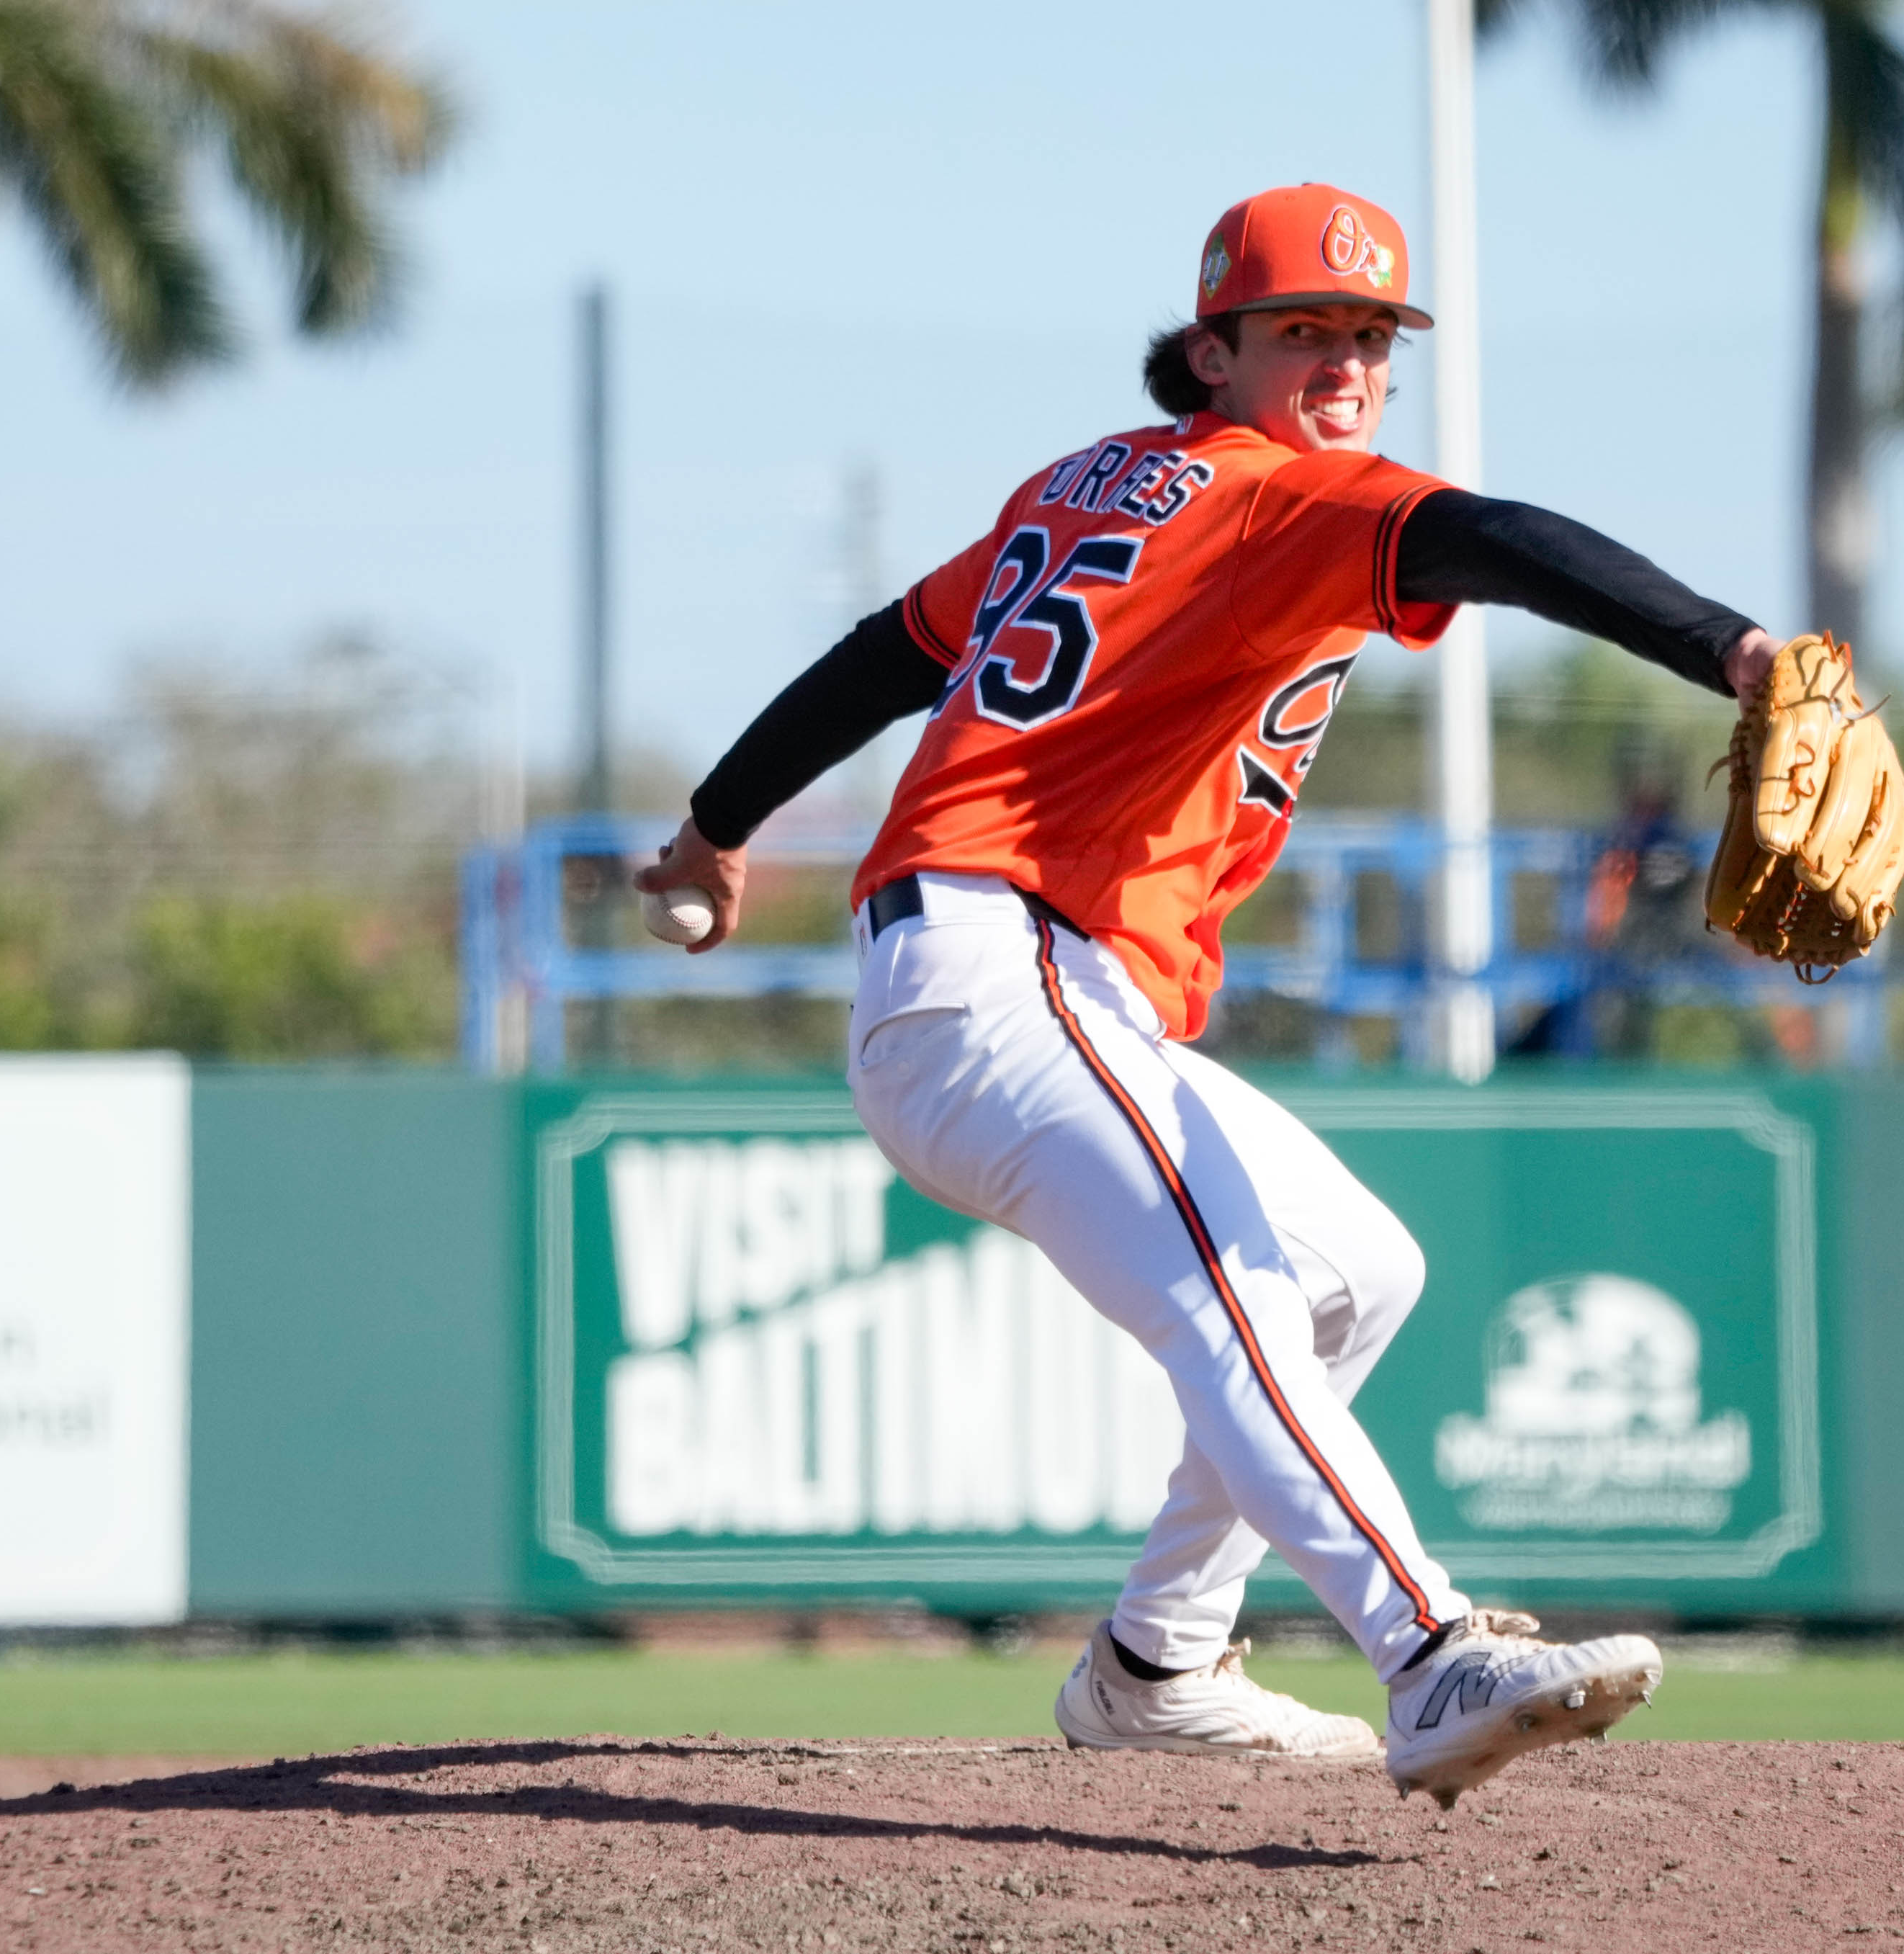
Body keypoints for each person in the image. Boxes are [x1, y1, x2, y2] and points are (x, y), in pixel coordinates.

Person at [637, 184, 1779, 1807]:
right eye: (1301, 328)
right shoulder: (1268, 498)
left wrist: (713, 823)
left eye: (1370, 334)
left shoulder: (1091, 485)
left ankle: (1158, 1660)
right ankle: (1430, 1646)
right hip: (1001, 972)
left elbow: (892, 657)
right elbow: (1494, 539)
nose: (1343, 361)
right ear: (1212, 349)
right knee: (1231, 1301)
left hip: (1033, 989)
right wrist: (1727, 645)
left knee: (1355, 1272)